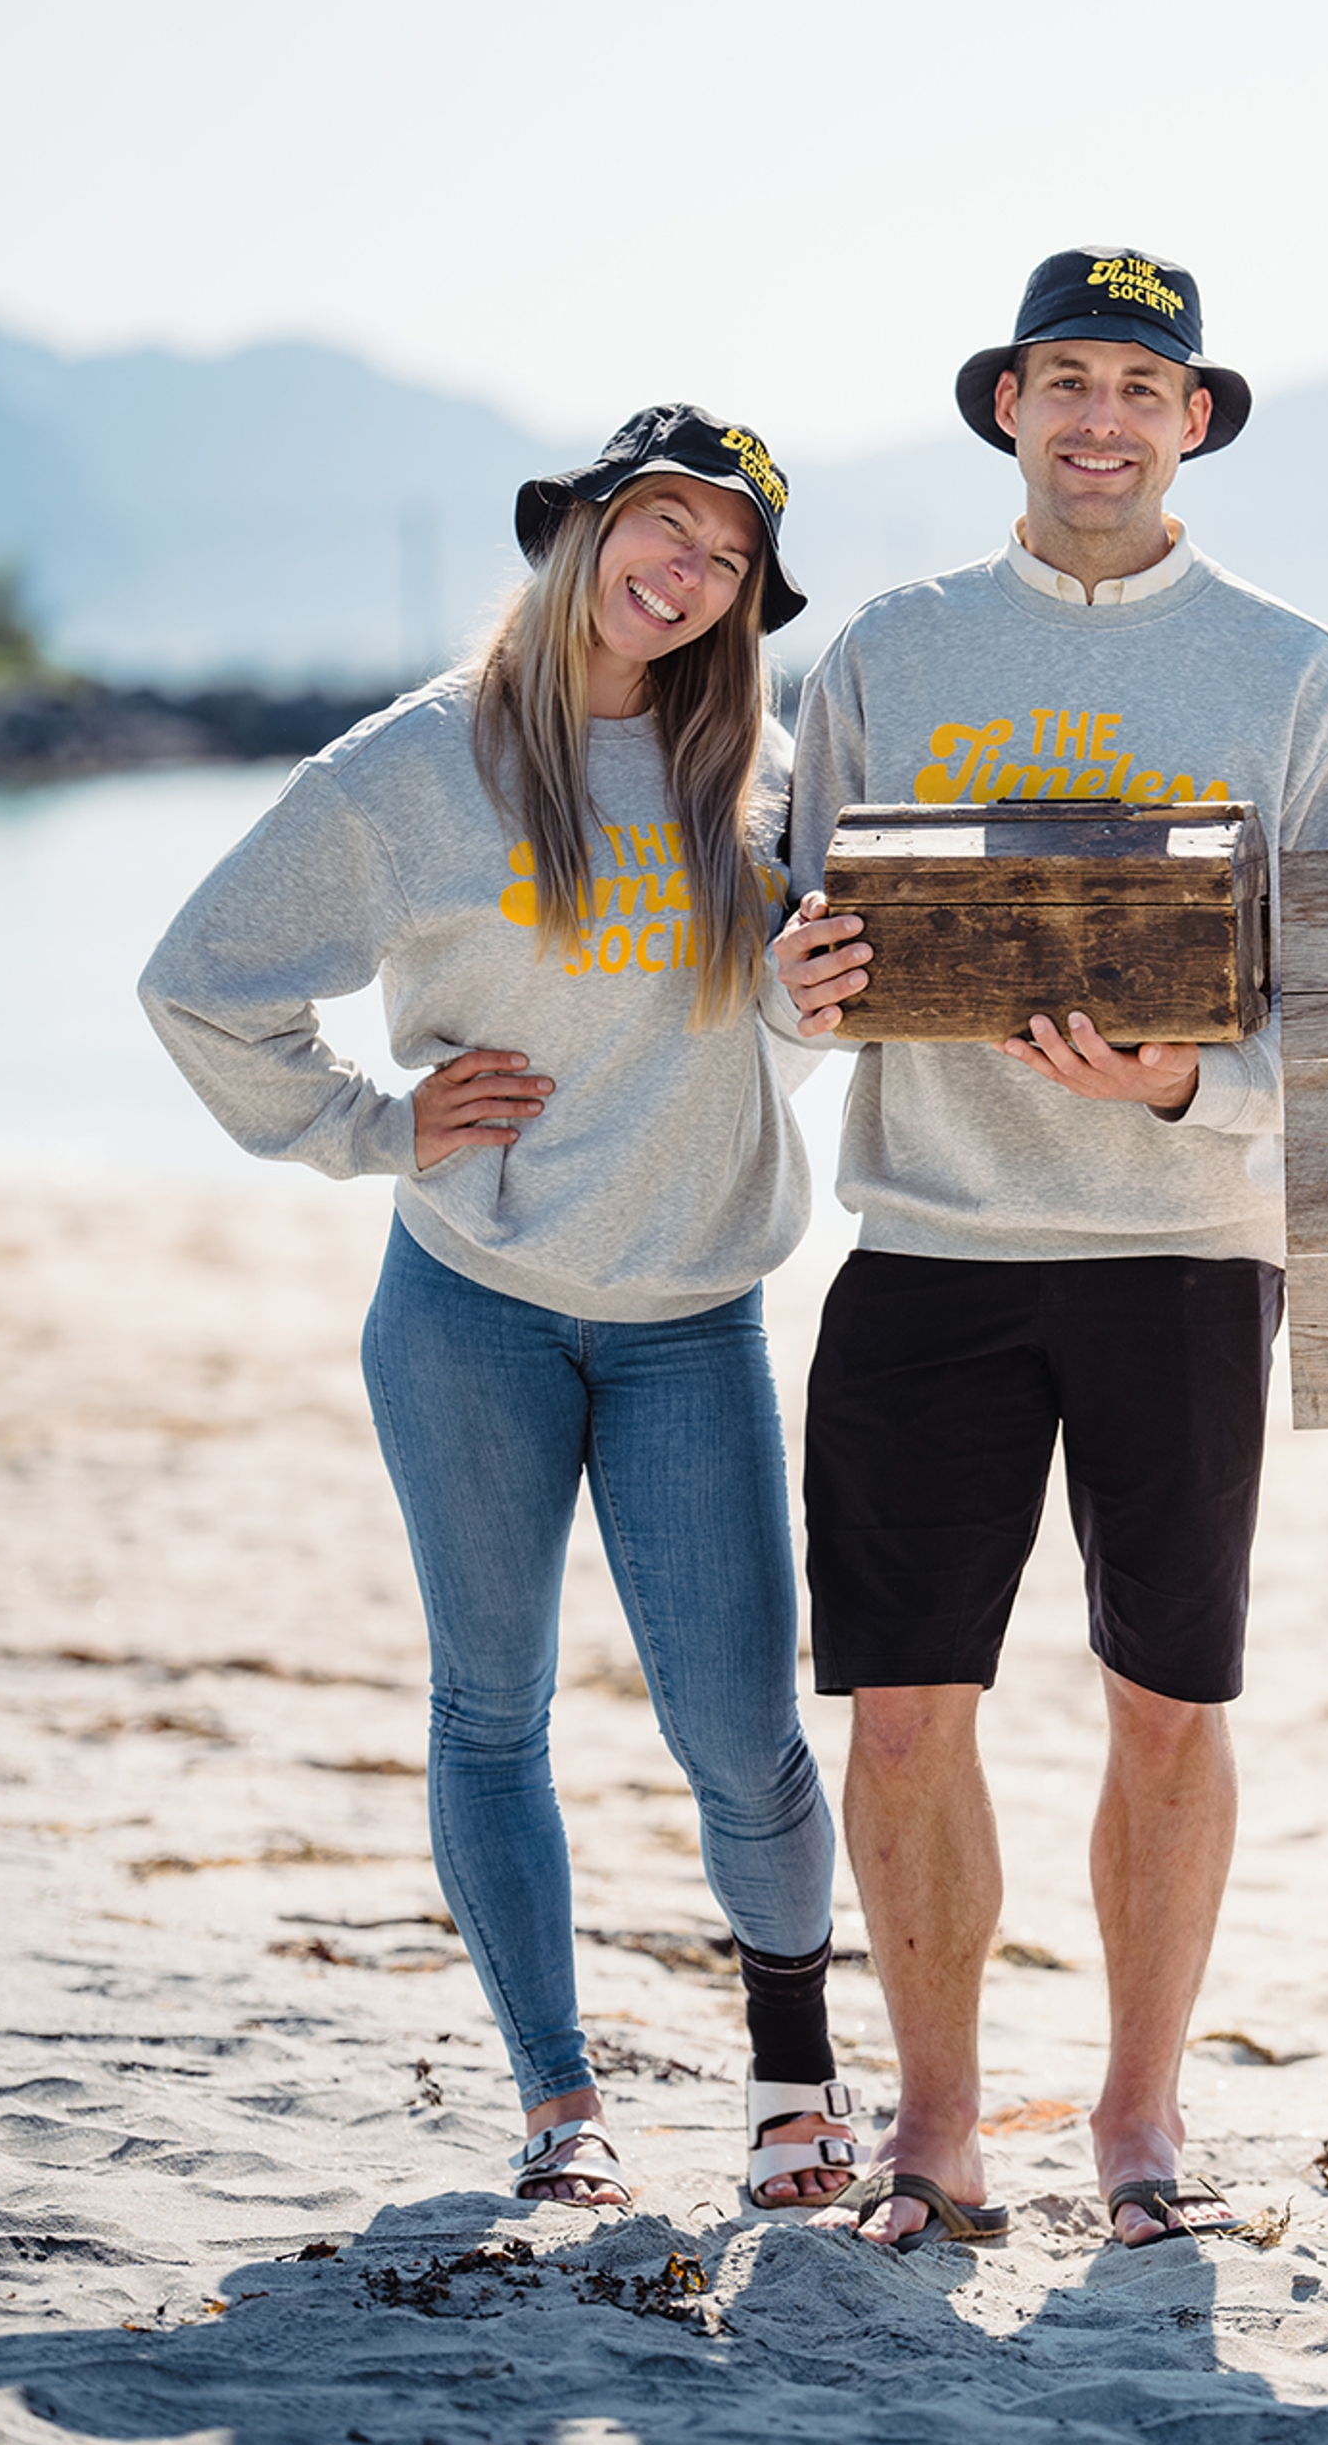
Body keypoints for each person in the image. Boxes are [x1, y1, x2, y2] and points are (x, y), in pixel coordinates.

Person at [143, 405, 867, 2219]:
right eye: (660, 524)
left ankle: (795, 2087)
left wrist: (802, 991)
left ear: (745, 601)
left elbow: (785, 1029)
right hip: (465, 1310)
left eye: (724, 557)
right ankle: (561, 2104)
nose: (682, 570)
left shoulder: (759, 781)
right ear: (581, 526)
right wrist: (372, 1128)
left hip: (696, 1312)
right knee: (492, 1709)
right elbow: (202, 983)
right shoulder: (418, 766)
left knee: (740, 1729)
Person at [767, 247, 1328, 2252]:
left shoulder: (1301, 676)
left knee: (1167, 1706)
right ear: (1008, 412)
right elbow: (793, 981)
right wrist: (794, 986)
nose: (1102, 421)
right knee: (899, 1709)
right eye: (1066, 382)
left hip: (1188, 1258)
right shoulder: (886, 649)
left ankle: (1139, 2123)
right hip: (929, 1250)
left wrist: (1180, 1093)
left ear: (1193, 420)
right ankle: (937, 2134)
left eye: (1143, 386)